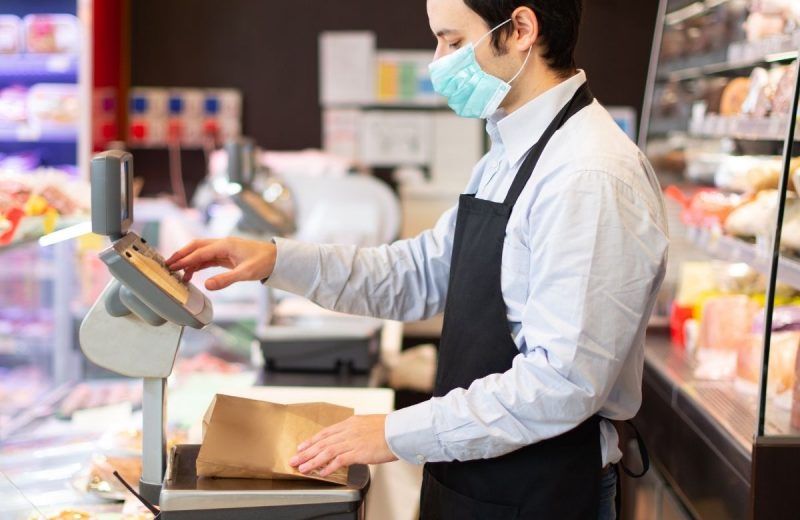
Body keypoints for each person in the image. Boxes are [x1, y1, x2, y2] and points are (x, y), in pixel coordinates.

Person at [167, 0, 669, 518]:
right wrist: (276, 260)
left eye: (452, 42)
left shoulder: (591, 176)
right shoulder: (508, 153)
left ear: (520, 29)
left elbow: (561, 384)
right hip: (476, 482)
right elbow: (416, 274)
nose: (438, 61)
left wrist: (393, 432)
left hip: (542, 494)